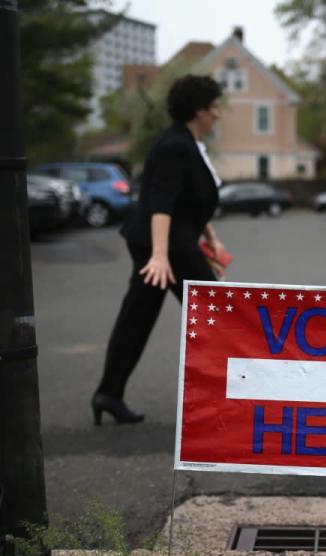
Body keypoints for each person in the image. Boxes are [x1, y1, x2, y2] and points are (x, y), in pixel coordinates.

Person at [92, 74, 226, 425]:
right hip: (168, 247)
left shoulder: (188, 143)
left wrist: (209, 235)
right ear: (198, 110)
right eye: (214, 108)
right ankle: (223, 398)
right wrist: (160, 255)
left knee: (137, 316)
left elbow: (187, 201)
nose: (219, 114)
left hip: (171, 242)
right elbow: (161, 203)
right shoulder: (175, 146)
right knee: (215, 313)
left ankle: (108, 392)